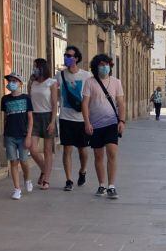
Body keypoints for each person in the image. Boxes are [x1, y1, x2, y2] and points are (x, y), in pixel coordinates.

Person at [82, 53, 125, 199]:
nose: (104, 67)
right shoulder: (90, 82)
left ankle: (111, 186)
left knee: (112, 153)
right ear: (96, 67)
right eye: (101, 64)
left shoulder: (116, 82)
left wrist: (122, 121)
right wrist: (87, 122)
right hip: (95, 125)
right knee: (98, 155)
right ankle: (102, 184)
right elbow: (85, 104)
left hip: (111, 123)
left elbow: (120, 103)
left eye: (106, 64)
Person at [57, 45, 91, 191]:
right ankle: (69, 180)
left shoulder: (86, 76)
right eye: (65, 55)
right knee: (67, 150)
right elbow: (51, 92)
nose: (67, 58)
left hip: (81, 119)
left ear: (76, 58)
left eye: (70, 56)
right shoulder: (60, 75)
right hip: (65, 118)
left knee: (83, 151)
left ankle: (82, 171)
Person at [0, 72, 34, 200]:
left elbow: (30, 118)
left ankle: (27, 179)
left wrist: (29, 136)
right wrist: (4, 135)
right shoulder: (5, 99)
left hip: (23, 135)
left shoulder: (26, 98)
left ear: (20, 83)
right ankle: (17, 189)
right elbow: (5, 118)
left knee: (24, 161)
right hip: (10, 135)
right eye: (10, 81)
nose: (12, 83)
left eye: (15, 81)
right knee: (13, 161)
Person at [27, 57, 58, 189]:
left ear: (42, 68)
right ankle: (44, 170)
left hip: (47, 116)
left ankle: (46, 180)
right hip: (34, 116)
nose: (34, 69)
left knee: (47, 150)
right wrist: (30, 81)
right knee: (32, 149)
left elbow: (54, 103)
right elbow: (29, 99)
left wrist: (52, 121)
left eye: (36, 67)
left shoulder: (52, 83)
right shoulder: (32, 83)